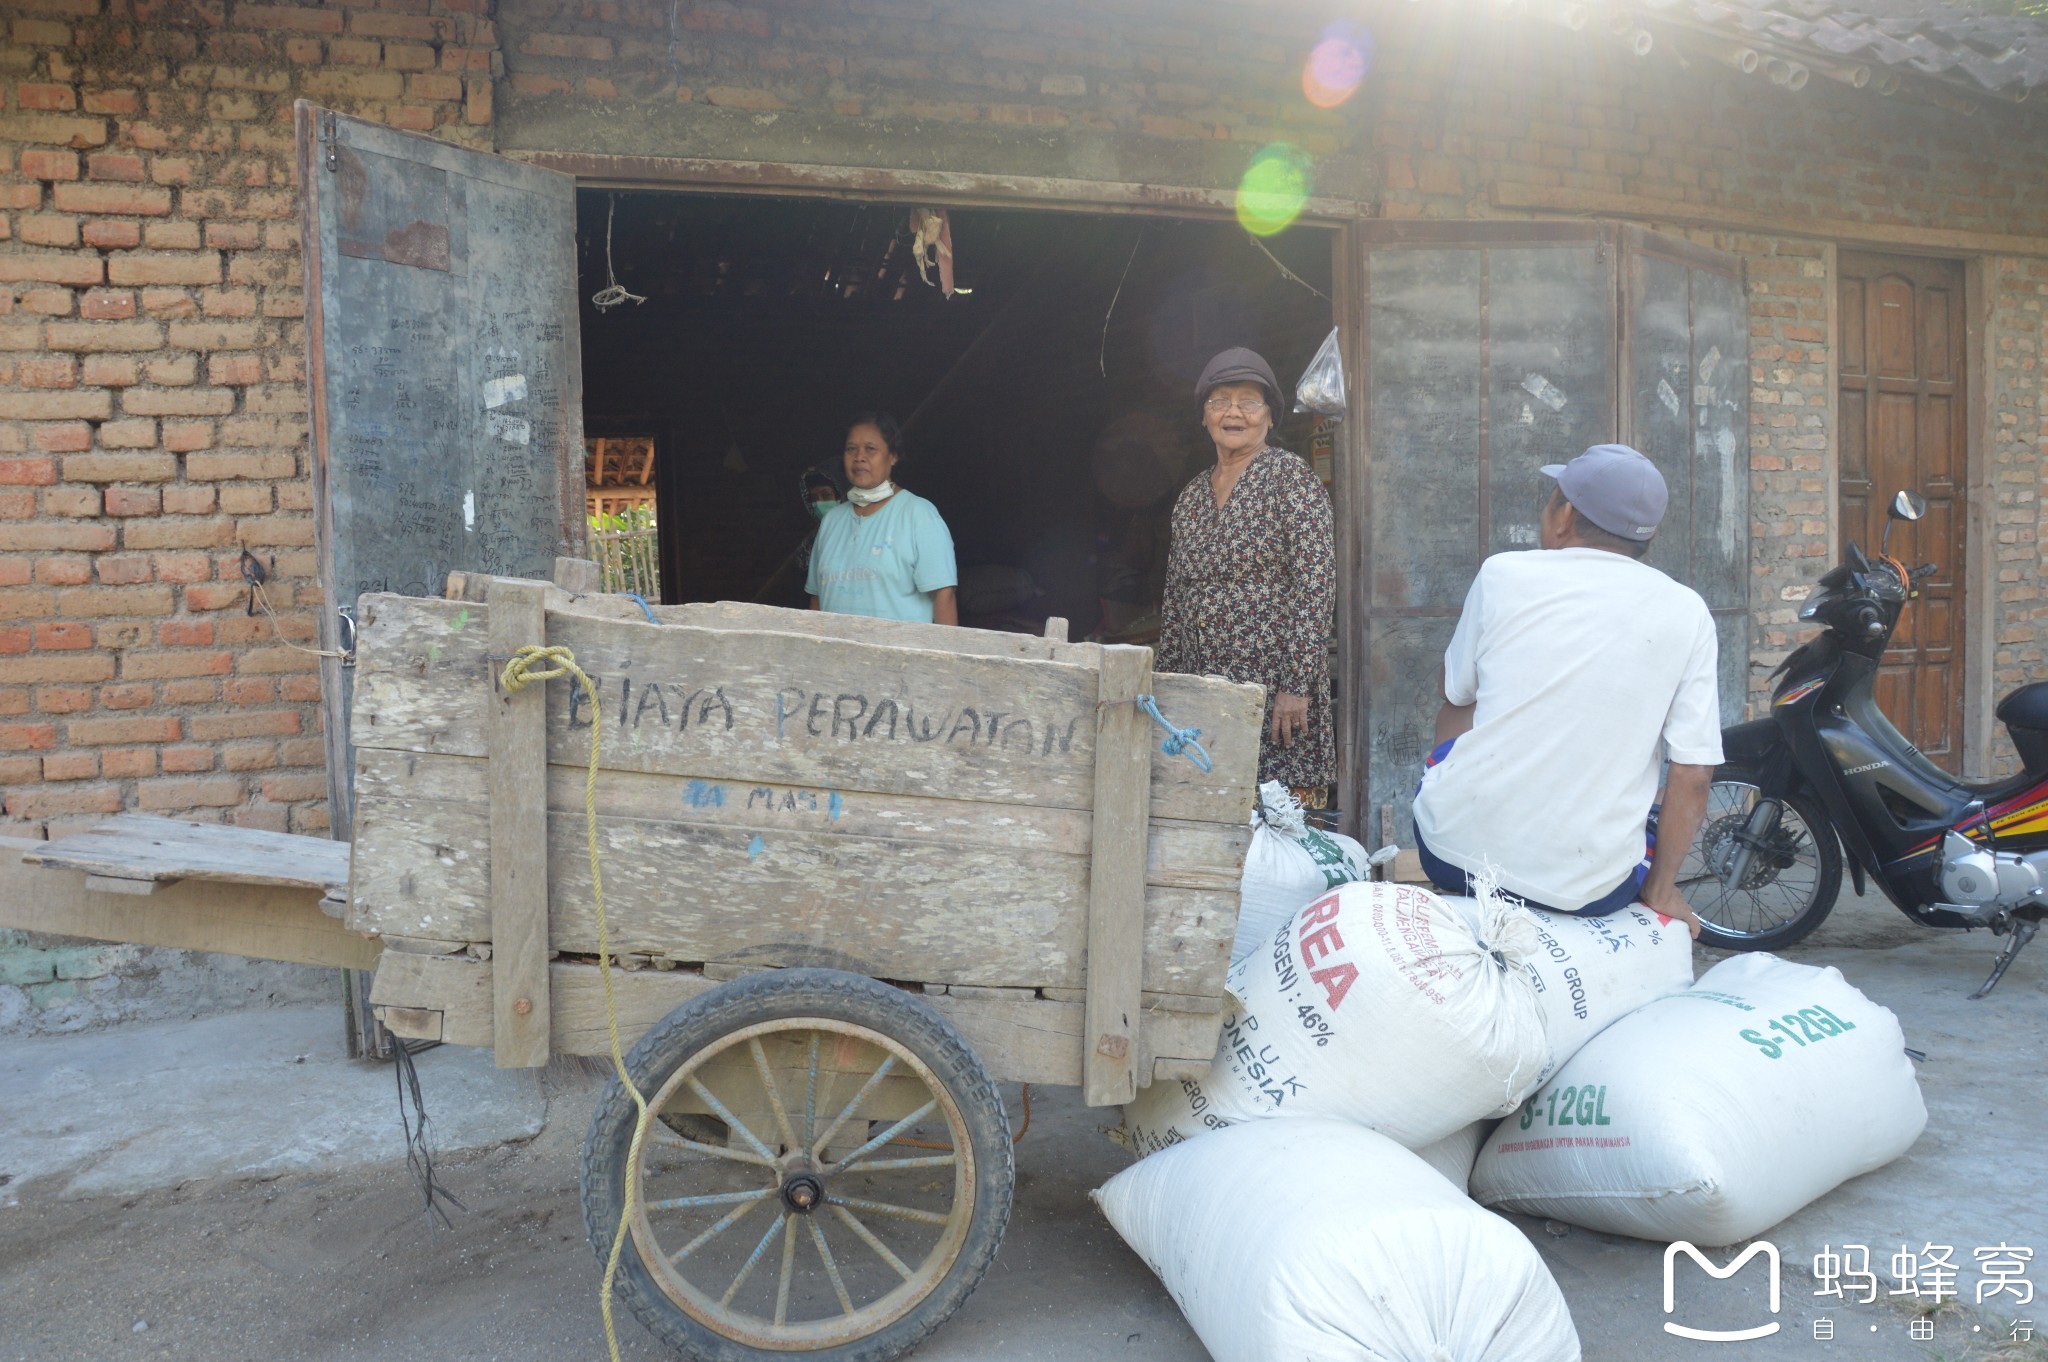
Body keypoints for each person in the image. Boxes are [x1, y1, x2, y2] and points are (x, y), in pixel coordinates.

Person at [1410, 443, 1720, 934]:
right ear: (1650, 534)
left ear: (1564, 516)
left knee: (1464, 707)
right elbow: (1694, 775)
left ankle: (1469, 815)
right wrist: (1661, 891)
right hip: (1589, 891)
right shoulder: (1688, 612)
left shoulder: (1502, 574)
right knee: (1649, 821)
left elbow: (1456, 700)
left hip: (1451, 857)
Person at [1158, 347, 1336, 790]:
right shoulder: (1191, 498)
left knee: (1279, 827)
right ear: (1204, 416)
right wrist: (1169, 692)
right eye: (1219, 401)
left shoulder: (1289, 478)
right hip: (1207, 694)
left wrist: (1295, 685)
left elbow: (1316, 583)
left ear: (1269, 417)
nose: (1233, 412)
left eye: (1248, 402)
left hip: (1275, 697)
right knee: (1212, 814)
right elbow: (1176, 602)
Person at [807, 412, 959, 625]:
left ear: (893, 456)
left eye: (871, 449)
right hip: (836, 656)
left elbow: (944, 596)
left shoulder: (919, 515)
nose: (859, 457)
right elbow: (816, 598)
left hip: (900, 656)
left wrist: (945, 657)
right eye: (851, 449)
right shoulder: (831, 521)